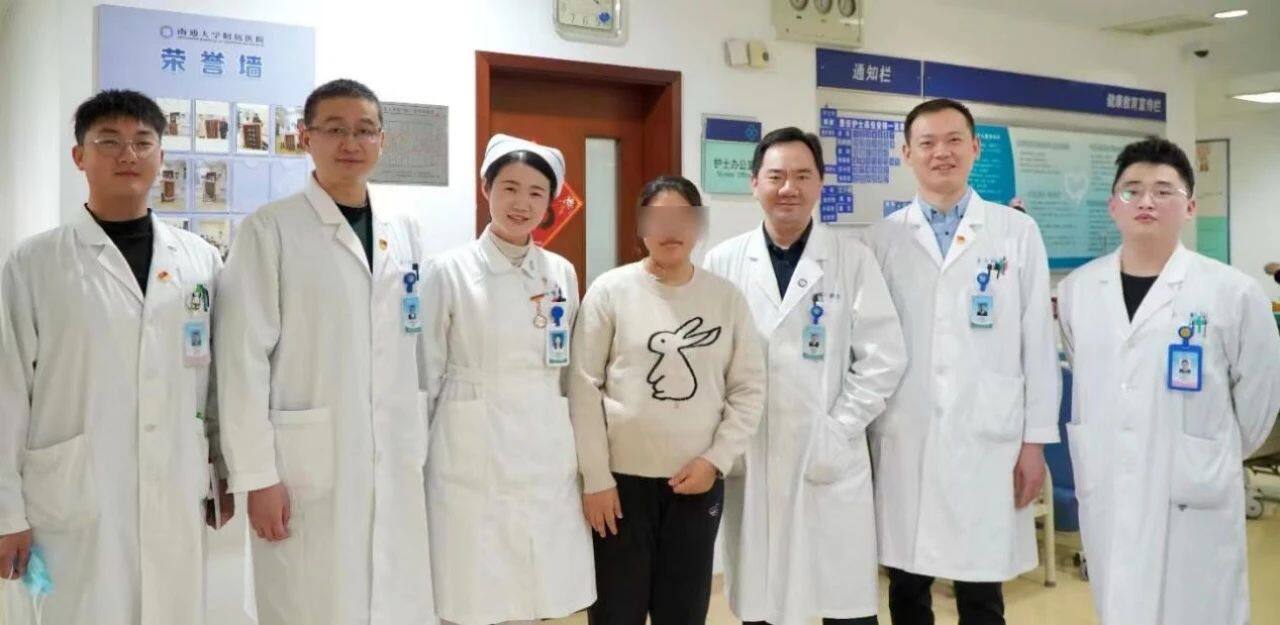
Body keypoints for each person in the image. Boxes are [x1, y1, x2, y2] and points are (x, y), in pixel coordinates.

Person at [0, 90, 231, 625]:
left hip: (177, 480)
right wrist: (7, 511)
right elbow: (7, 391)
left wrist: (221, 468)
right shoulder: (35, 263)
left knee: (172, 609)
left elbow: (218, 378)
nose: (128, 154)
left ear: (161, 156)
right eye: (109, 142)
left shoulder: (200, 259)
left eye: (142, 142)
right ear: (79, 156)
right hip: (74, 494)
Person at [214, 79, 434, 625]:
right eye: (334, 130)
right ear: (305, 137)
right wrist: (257, 476)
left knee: (390, 598)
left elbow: (414, 345)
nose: (350, 143)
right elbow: (242, 361)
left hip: (391, 452)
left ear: (382, 140)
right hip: (304, 463)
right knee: (310, 601)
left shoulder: (405, 229)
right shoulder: (271, 229)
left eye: (364, 130)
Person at [1057, 137, 1280, 625]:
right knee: (1119, 604)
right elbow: (1090, 371)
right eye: (1132, 190)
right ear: (1113, 205)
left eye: (1163, 191)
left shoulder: (1232, 293)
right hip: (1110, 484)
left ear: (1190, 207)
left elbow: (1260, 401)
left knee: (1197, 607)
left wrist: (1206, 450)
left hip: (1193, 495)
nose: (1146, 201)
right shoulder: (1078, 291)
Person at [864, 98, 1060, 625]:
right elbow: (870, 345)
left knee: (981, 588)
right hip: (906, 433)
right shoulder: (881, 240)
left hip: (987, 437)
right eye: (927, 143)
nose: (941, 153)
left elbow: (1038, 343)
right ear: (906, 154)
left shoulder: (1016, 232)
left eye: (954, 140)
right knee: (906, 584)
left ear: (975, 148)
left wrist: (1035, 443)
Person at [703, 127, 907, 625]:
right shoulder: (723, 261)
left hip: (826, 448)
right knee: (761, 599)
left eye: (801, 176)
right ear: (755, 183)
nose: (788, 188)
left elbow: (883, 357)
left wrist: (839, 428)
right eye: (776, 176)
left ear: (820, 183)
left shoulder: (851, 259)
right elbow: (709, 360)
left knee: (841, 601)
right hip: (751, 449)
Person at [570, 176, 765, 625]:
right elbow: (583, 386)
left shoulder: (725, 299)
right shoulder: (610, 291)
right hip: (620, 489)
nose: (670, 229)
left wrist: (715, 460)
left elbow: (749, 388)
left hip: (696, 483)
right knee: (616, 612)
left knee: (683, 612)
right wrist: (596, 478)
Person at [421, 134, 594, 625]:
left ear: (550, 201)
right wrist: (411, 456)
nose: (522, 203)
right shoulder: (448, 271)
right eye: (510, 188)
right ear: (486, 190)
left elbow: (568, 369)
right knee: (472, 587)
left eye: (536, 192)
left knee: (534, 586)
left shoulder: (561, 272)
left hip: (543, 440)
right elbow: (424, 371)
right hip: (469, 442)